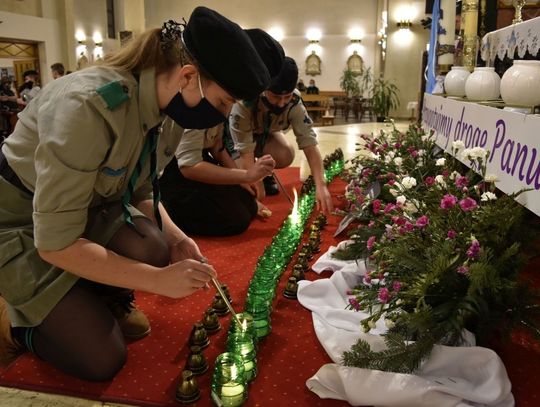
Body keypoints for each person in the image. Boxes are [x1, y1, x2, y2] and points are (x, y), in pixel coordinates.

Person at [0, 6, 271, 381]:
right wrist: (156, 281)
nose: (222, 116)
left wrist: (179, 239)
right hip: (22, 225)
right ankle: (15, 321)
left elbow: (139, 190)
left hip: (82, 211)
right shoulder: (88, 108)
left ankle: (93, 294)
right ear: (188, 76)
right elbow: (54, 244)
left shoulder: (169, 108)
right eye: (223, 102)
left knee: (155, 246)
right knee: (100, 359)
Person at [160, 28, 284, 236]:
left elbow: (217, 146)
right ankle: (164, 210)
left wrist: (244, 181)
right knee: (235, 217)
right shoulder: (201, 95)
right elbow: (189, 166)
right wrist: (245, 175)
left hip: (201, 161)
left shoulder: (222, 92)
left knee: (246, 200)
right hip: (174, 172)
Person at [229, 56, 333, 213]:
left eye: (287, 96)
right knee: (245, 184)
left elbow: (310, 144)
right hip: (236, 142)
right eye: (276, 96)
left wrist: (321, 185)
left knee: (285, 153)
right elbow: (245, 150)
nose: (282, 103)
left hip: (263, 136)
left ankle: (265, 174)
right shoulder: (246, 100)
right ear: (265, 89)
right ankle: (245, 174)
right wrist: (254, 180)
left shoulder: (295, 102)